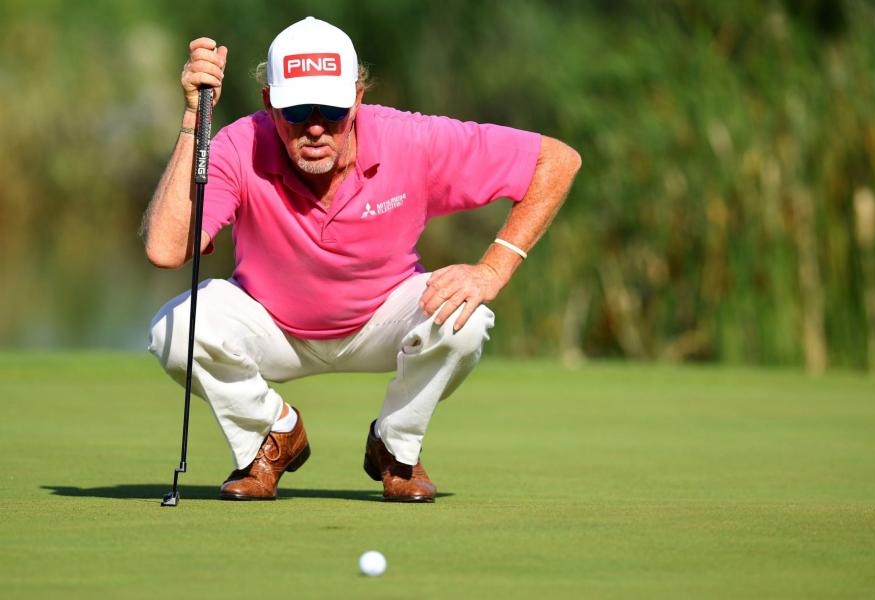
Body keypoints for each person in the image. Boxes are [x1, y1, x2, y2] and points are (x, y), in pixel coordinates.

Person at [143, 17, 580, 502]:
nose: (314, 127)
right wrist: (194, 122)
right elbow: (165, 248)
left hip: (382, 319)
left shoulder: (410, 140)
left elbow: (556, 161)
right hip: (272, 325)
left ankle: (395, 448)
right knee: (174, 331)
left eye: (331, 110)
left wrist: (494, 268)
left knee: (468, 318)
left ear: (357, 97)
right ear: (269, 104)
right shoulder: (238, 144)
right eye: (296, 110)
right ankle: (272, 434)